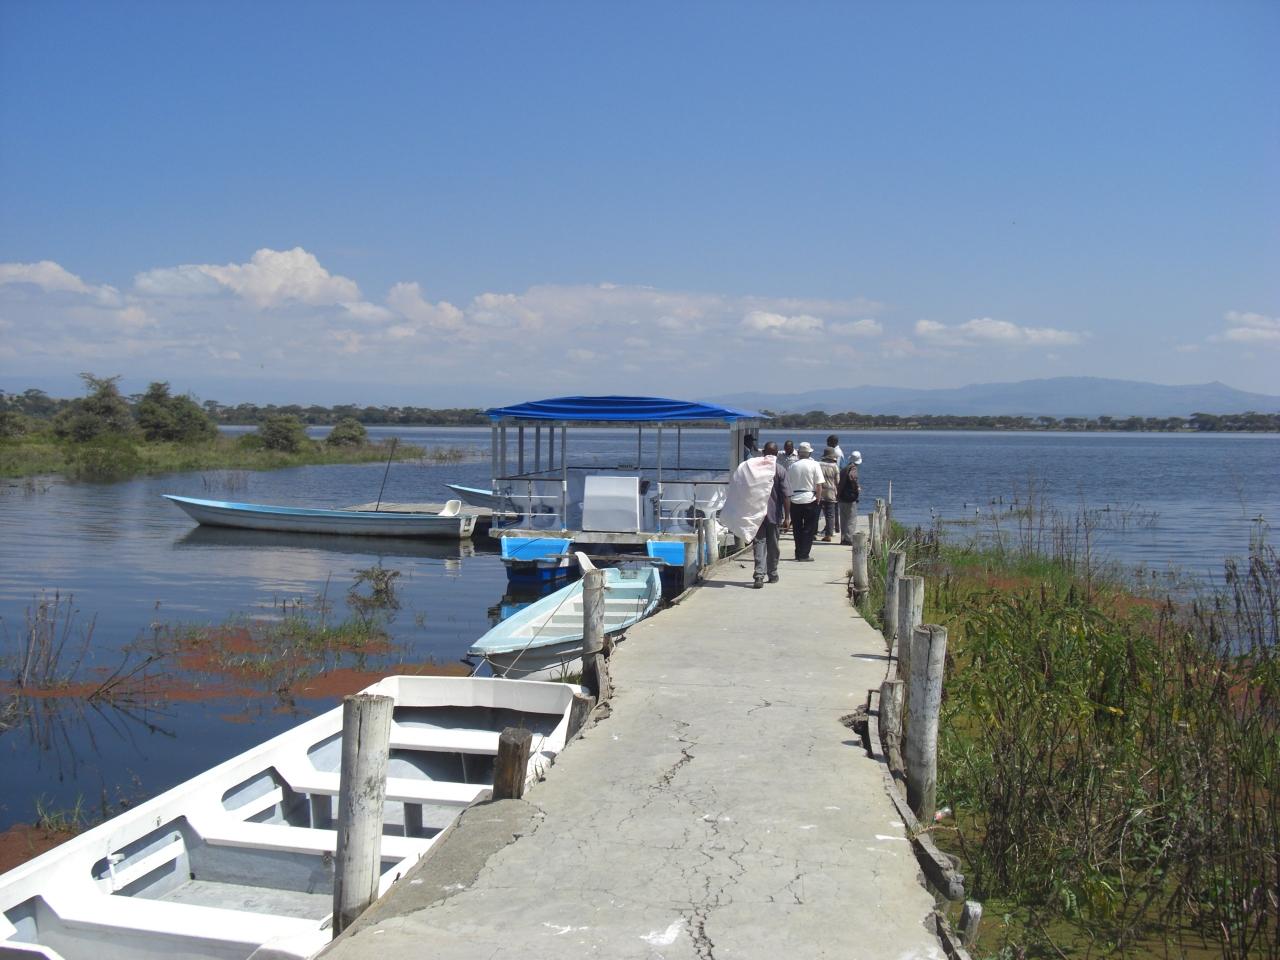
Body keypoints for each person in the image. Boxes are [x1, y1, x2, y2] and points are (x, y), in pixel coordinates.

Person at [751, 441, 791, 587]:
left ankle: (759, 576)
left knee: (759, 543)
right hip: (774, 514)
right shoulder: (780, 470)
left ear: (763, 453)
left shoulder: (754, 470)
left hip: (757, 513)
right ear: (777, 454)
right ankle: (772, 573)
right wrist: (787, 517)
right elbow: (786, 496)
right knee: (773, 545)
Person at [785, 441, 824, 561]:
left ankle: (798, 552)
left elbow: (787, 485)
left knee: (797, 528)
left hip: (794, 499)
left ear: (799, 453)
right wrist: (818, 499)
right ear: (809, 453)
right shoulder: (815, 464)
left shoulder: (792, 466)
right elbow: (819, 485)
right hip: (810, 498)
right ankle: (804, 554)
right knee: (809, 528)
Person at [837, 450, 862, 545]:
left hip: (842, 497)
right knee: (851, 518)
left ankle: (843, 538)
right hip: (849, 498)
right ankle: (849, 538)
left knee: (843, 519)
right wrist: (856, 487)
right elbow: (853, 478)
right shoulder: (853, 469)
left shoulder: (844, 468)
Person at [818, 446, 840, 541]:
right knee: (830, 515)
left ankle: (813, 533)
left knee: (816, 514)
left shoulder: (818, 464)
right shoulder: (835, 466)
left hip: (819, 492)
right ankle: (829, 535)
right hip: (831, 493)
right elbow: (837, 481)